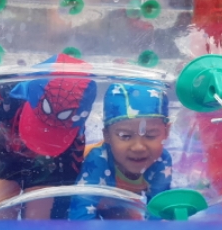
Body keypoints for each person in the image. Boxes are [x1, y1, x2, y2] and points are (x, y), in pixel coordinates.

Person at [0, 54, 97, 220]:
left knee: (41, 223)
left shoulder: (75, 127)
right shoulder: (2, 96)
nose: (46, 133)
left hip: (47, 163)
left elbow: (69, 174)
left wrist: (59, 216)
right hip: (2, 153)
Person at [69, 84, 172, 220]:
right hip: (94, 195)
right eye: (125, 136)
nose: (138, 147)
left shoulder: (161, 160)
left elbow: (158, 209)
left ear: (166, 132)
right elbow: (80, 210)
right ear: (107, 135)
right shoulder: (99, 159)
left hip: (119, 200)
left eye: (150, 136)